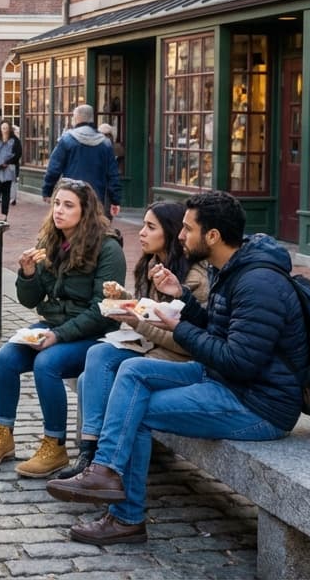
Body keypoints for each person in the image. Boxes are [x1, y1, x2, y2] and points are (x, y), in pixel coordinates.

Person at [48, 191, 307, 546]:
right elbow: (219, 331)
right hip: (225, 379)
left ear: (212, 236)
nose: (181, 236)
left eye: (187, 229)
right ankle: (105, 471)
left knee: (135, 413)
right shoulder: (231, 268)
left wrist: (178, 326)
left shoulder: (258, 283)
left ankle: (125, 517)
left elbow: (240, 360)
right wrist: (182, 297)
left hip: (257, 403)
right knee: (133, 371)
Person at [0, 178, 125, 478]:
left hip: (94, 335)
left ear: (85, 211)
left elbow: (103, 312)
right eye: (57, 203)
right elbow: (29, 298)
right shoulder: (51, 242)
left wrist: (58, 335)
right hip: (55, 325)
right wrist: (28, 274)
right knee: (6, 358)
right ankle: (3, 435)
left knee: (47, 363)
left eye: (68, 205)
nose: (59, 211)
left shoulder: (108, 249)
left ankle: (54, 445)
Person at [54, 201, 211, 479]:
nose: (141, 233)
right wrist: (124, 302)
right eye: (143, 225)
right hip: (150, 347)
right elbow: (148, 309)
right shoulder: (152, 263)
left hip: (179, 359)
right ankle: (90, 454)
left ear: (172, 233)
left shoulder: (194, 279)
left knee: (101, 370)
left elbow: (187, 342)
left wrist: (137, 321)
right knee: (94, 362)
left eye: (150, 227)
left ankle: (97, 459)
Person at [41, 105, 122, 218]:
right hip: (96, 197)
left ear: (76, 118)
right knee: (94, 229)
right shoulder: (105, 143)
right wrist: (115, 199)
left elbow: (54, 168)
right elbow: (113, 174)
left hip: (71, 195)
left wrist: (47, 191)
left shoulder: (67, 139)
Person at [0, 121, 22, 222]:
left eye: (6, 128)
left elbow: (18, 154)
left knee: (6, 193)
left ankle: (4, 214)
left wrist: (8, 162)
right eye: (3, 128)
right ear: (0, 129)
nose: (4, 130)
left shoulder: (15, 140)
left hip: (8, 169)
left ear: (9, 129)